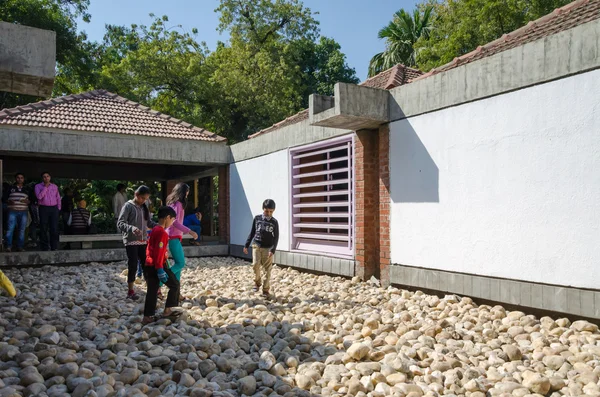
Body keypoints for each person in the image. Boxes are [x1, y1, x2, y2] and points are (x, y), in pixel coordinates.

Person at [142, 206, 181, 324]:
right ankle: (168, 309)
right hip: (158, 265)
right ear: (167, 218)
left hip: (149, 264)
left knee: (152, 291)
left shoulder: (154, 229)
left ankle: (147, 316)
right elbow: (158, 252)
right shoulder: (162, 233)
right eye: (172, 220)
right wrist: (160, 269)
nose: (172, 223)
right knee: (174, 284)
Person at [117, 185, 157, 300]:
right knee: (133, 265)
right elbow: (120, 223)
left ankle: (151, 289)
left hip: (143, 240)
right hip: (131, 241)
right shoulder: (128, 206)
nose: (143, 200)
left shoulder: (144, 207)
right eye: (142, 198)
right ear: (136, 195)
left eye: (145, 199)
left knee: (147, 265)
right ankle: (130, 290)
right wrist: (131, 228)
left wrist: (159, 226)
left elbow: (149, 223)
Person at [243, 199, 279, 298]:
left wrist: (273, 250)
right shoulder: (257, 218)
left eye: (271, 211)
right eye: (267, 211)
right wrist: (246, 245)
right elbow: (252, 232)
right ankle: (257, 282)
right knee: (255, 265)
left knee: (267, 269)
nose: (268, 213)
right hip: (256, 245)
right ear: (263, 209)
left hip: (268, 248)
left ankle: (266, 289)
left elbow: (276, 237)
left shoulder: (274, 222)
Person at [165, 183, 198, 284]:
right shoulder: (178, 204)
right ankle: (160, 282)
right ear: (184, 192)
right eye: (187, 191)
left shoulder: (173, 203)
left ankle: (176, 292)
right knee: (180, 264)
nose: (188, 193)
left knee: (178, 265)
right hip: (173, 237)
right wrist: (190, 231)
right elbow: (174, 222)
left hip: (173, 236)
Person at [2, 173, 31, 252]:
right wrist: (8, 201)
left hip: (23, 211)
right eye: (18, 178)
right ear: (15, 179)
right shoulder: (10, 188)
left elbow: (31, 200)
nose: (20, 179)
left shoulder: (27, 188)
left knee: (21, 230)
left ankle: (20, 247)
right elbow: (4, 198)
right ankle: (8, 246)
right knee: (10, 229)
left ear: (23, 179)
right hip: (12, 211)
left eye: (21, 178)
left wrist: (28, 201)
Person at [35, 172, 61, 251]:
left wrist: (58, 208)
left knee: (54, 228)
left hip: (54, 208)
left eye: (48, 176)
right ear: (42, 178)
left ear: (50, 177)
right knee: (43, 227)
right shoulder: (38, 186)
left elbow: (58, 197)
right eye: (44, 177)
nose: (46, 178)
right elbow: (39, 197)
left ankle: (54, 246)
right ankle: (44, 247)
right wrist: (45, 187)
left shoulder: (54, 186)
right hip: (44, 208)